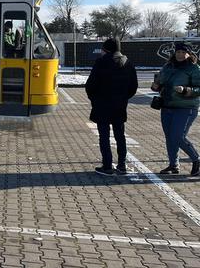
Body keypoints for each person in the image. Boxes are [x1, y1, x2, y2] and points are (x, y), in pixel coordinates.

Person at [85, 38, 138, 175]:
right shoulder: (127, 63)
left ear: (105, 49)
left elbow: (90, 85)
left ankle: (107, 165)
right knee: (120, 136)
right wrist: (123, 98)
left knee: (104, 136)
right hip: (120, 105)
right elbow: (133, 86)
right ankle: (122, 164)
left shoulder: (101, 62)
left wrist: (94, 99)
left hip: (102, 105)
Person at [151, 41, 200, 176]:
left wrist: (186, 90)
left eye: (183, 52)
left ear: (189, 54)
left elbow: (198, 89)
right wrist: (156, 85)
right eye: (178, 52)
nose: (180, 54)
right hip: (167, 106)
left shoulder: (194, 69)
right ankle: (173, 165)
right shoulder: (168, 66)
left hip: (186, 107)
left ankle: (196, 159)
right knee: (170, 137)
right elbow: (160, 82)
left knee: (177, 136)